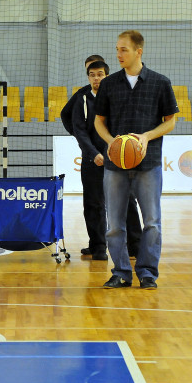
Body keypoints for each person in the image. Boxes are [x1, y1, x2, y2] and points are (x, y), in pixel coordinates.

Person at [94, 30, 178, 289]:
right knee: (114, 224)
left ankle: (147, 273)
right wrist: (112, 143)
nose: (118, 54)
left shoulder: (160, 83)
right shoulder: (108, 85)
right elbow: (99, 122)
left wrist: (146, 137)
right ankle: (120, 272)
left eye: (124, 50)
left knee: (152, 222)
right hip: (115, 165)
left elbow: (170, 122)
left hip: (148, 162)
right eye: (117, 49)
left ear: (138, 51)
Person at [63, 55, 142, 259]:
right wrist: (92, 152)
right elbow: (79, 130)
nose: (96, 78)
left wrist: (124, 148)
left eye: (100, 74)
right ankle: (98, 248)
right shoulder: (82, 97)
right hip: (92, 159)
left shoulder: (118, 95)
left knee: (128, 201)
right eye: (92, 75)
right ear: (88, 76)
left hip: (118, 158)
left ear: (107, 75)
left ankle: (136, 247)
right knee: (94, 204)